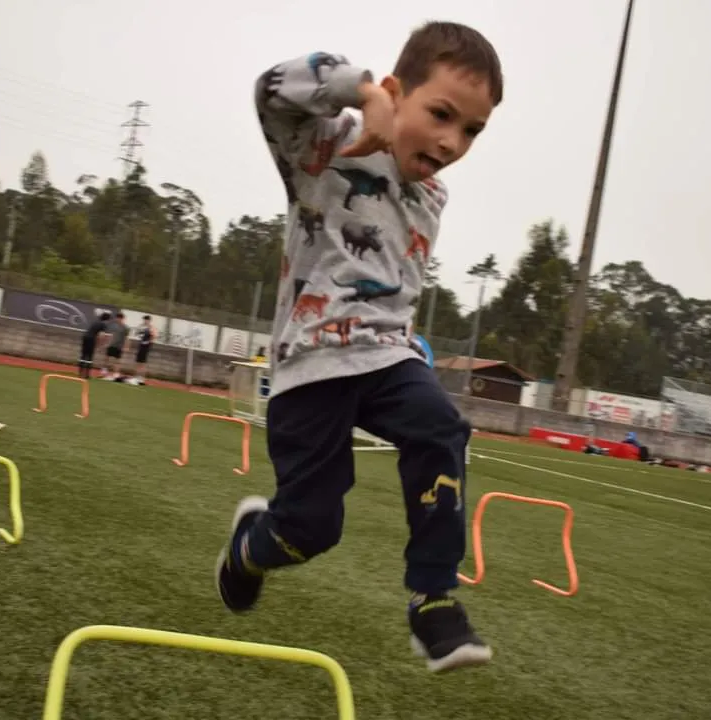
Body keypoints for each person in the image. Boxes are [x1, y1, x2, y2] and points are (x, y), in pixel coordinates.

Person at [215, 22, 503, 673]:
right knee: (310, 530)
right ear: (398, 92)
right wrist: (359, 90)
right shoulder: (326, 144)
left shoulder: (433, 193)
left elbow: (398, 287)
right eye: (439, 115)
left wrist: (412, 362)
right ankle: (249, 546)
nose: (450, 142)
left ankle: (433, 599)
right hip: (310, 366)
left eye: (471, 130)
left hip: (387, 360)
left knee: (441, 429)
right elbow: (270, 90)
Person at [77, 311, 112, 379]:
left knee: (83, 355)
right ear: (107, 319)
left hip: (85, 337)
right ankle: (87, 374)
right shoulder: (103, 324)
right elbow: (101, 335)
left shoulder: (96, 322)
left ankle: (80, 373)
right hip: (91, 339)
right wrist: (99, 345)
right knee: (89, 356)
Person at [103, 311, 130, 380]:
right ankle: (105, 371)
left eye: (119, 318)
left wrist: (126, 347)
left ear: (122, 319)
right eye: (116, 318)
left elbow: (127, 338)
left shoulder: (125, 327)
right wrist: (106, 343)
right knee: (106, 358)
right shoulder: (113, 325)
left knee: (117, 361)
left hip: (119, 346)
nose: (117, 320)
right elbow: (109, 335)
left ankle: (116, 374)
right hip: (111, 344)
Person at [130, 315, 155, 386]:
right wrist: (139, 329)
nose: (145, 321)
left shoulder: (151, 328)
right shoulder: (142, 327)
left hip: (146, 346)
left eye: (146, 320)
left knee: (143, 364)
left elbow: (153, 336)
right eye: (144, 320)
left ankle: (142, 379)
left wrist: (149, 344)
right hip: (141, 345)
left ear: (149, 320)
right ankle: (136, 377)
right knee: (138, 362)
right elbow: (137, 333)